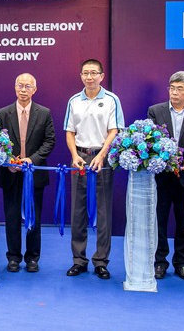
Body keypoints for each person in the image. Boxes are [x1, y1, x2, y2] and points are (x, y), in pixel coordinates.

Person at [63, 59, 124, 279]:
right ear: (81, 76)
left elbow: (114, 130)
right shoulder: (74, 100)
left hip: (102, 158)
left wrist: (102, 155)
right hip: (80, 157)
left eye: (93, 73)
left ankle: (101, 261)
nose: (89, 77)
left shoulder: (111, 100)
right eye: (85, 73)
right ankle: (79, 260)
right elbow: (69, 132)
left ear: (101, 76)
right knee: (77, 210)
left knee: (103, 210)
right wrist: (74, 155)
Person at [147, 71, 184, 280]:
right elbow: (151, 139)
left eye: (179, 89)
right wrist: (167, 159)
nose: (174, 92)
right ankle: (159, 262)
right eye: (172, 88)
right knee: (159, 220)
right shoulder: (155, 111)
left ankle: (182, 263)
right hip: (162, 175)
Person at [0, 73, 56, 273]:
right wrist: (8, 161)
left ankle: (32, 258)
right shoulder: (3, 113)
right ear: (15, 88)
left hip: (33, 174)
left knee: (33, 218)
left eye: (27, 86)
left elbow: (49, 141)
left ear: (34, 90)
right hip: (10, 173)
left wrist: (32, 160)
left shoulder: (44, 113)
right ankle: (13, 257)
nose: (23, 90)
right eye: (20, 85)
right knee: (12, 217)